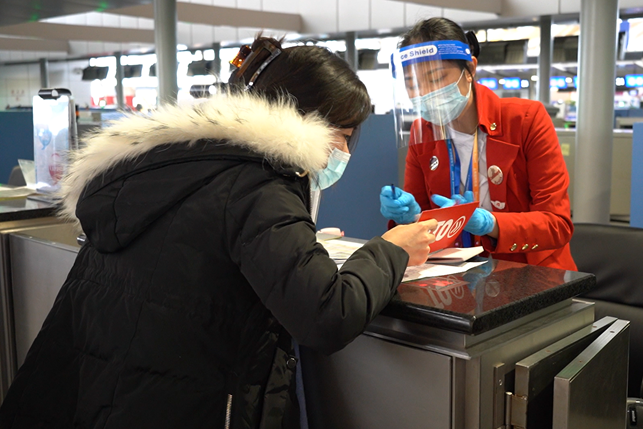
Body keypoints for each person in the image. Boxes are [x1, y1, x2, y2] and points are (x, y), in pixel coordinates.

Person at [0, 37, 437, 429]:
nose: (343, 152)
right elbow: (326, 315)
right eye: (341, 135)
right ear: (305, 120)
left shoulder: (176, 161)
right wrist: (390, 249)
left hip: (101, 393)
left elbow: (195, 249)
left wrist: (295, 248)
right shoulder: (259, 183)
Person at [380, 17, 577, 271]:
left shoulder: (525, 120)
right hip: (457, 278)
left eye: (436, 78)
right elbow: (419, 230)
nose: (424, 93)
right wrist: (408, 218)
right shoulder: (423, 131)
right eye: (412, 84)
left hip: (531, 274)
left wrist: (490, 224)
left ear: (470, 69)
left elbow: (557, 225)